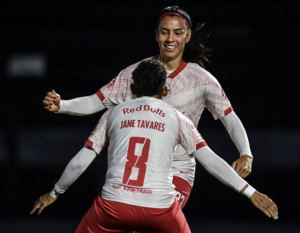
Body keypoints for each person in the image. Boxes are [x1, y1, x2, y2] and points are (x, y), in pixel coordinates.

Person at [31, 60, 278, 233]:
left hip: (114, 203)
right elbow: (211, 161)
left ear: (134, 87)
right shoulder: (177, 117)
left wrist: (53, 193)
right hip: (160, 207)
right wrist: (250, 192)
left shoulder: (114, 114)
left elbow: (80, 162)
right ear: (165, 89)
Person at [43, 6, 253, 209]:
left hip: (176, 173)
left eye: (177, 33)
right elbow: (97, 101)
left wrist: (246, 153)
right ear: (156, 35)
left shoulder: (201, 80)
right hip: (133, 172)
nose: (170, 39)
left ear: (187, 36)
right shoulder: (136, 73)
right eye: (165, 32)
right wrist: (62, 105)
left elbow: (230, 118)